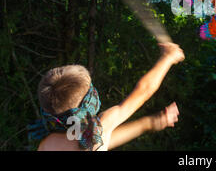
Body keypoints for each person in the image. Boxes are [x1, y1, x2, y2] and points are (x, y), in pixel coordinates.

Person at [27, 42, 185, 151]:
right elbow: (144, 90)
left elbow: (101, 141)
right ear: (89, 103)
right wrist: (168, 57)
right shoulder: (102, 125)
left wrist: (147, 123)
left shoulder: (47, 145)